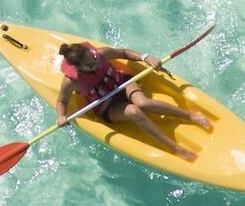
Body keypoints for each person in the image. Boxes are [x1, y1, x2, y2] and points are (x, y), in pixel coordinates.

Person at [56, 40, 213, 162]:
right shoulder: (71, 82)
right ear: (78, 68)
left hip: (121, 84)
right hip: (107, 104)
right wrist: (61, 116)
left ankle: (189, 115)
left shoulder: (101, 54)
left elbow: (124, 53)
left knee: (143, 103)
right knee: (134, 111)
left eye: (93, 58)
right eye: (90, 65)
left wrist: (145, 57)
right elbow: (62, 101)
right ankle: (174, 147)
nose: (95, 63)